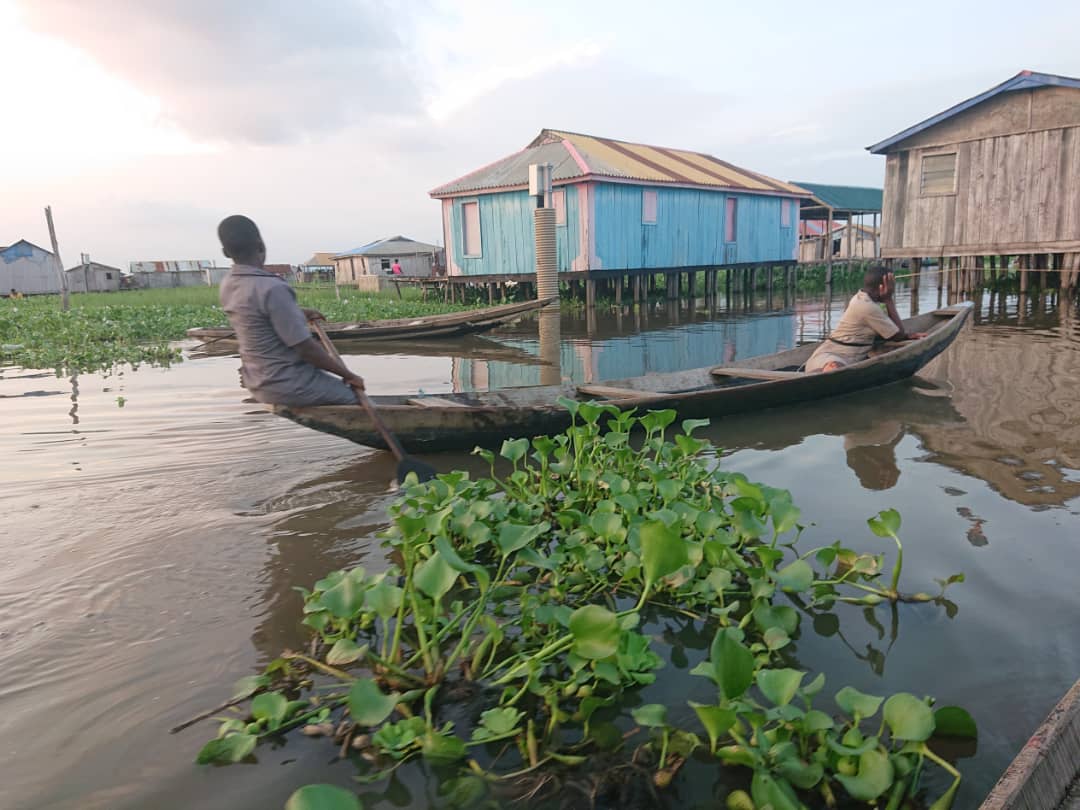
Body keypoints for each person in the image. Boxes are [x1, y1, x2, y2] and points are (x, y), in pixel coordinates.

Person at [217, 215, 364, 406]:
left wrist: (298, 313)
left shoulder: (228, 284)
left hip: (257, 383)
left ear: (225, 252)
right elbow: (305, 348)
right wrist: (348, 375)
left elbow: (259, 316)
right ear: (261, 246)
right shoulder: (272, 288)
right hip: (289, 383)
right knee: (358, 401)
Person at [805, 266, 925, 373]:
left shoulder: (862, 298)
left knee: (839, 369)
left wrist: (907, 336)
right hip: (829, 358)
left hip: (844, 357)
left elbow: (892, 333)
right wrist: (888, 299)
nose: (892, 289)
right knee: (834, 369)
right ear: (882, 287)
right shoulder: (868, 306)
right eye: (891, 286)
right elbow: (898, 335)